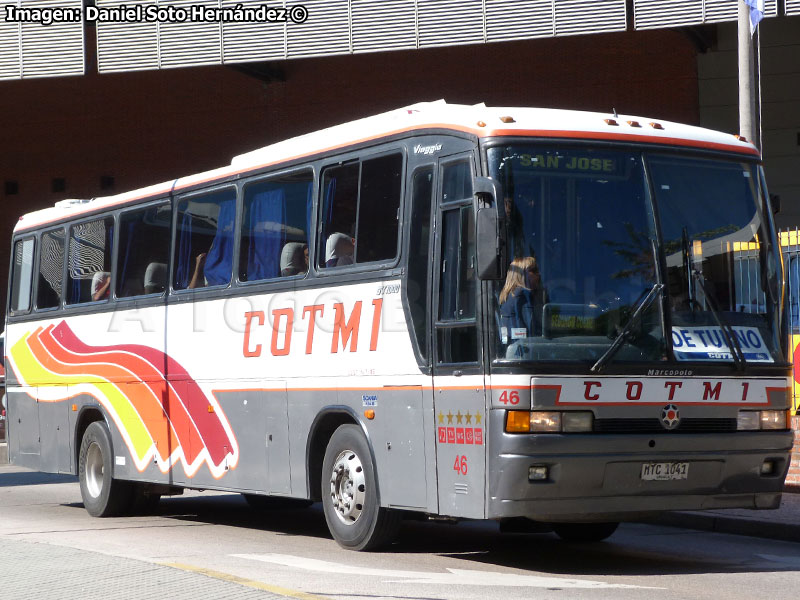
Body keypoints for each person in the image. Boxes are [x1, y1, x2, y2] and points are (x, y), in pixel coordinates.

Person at [498, 256, 546, 341]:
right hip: (526, 348)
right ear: (521, 274)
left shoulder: (507, 295)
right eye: (534, 270)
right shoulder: (523, 295)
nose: (539, 274)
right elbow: (533, 329)